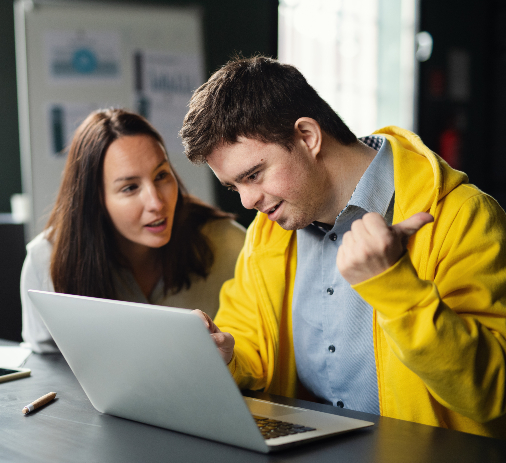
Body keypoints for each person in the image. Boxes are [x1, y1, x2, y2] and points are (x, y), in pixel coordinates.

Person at [179, 56, 506, 438]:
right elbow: (253, 345)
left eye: (253, 175)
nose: (247, 201)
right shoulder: (268, 234)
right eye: (235, 187)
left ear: (307, 137)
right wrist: (227, 356)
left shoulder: (461, 216)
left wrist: (393, 286)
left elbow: (493, 392)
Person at [21, 108, 246, 353]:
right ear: (95, 200)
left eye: (161, 175)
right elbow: (46, 365)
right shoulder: (46, 261)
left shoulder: (228, 243)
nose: (156, 203)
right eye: (129, 188)